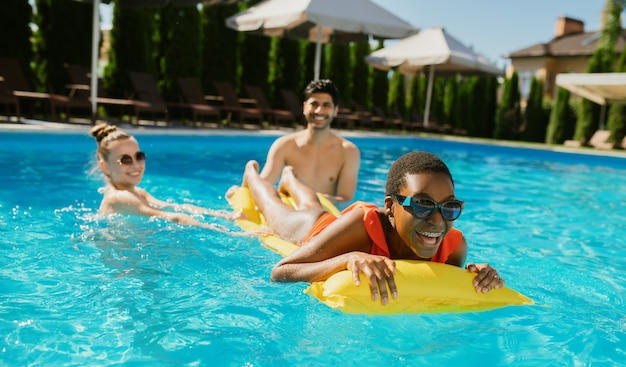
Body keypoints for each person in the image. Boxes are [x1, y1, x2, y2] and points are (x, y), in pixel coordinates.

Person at [237, 151, 505, 305]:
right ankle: (252, 174)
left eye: (449, 207)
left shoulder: (455, 247)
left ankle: (291, 178)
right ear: (390, 206)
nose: (437, 221)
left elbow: (445, 286)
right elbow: (280, 271)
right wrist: (346, 258)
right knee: (275, 208)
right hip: (317, 230)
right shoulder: (361, 227)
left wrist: (478, 275)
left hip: (336, 224)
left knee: (309, 199)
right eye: (423, 205)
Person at [90, 123, 250, 234]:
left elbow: (177, 207)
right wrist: (232, 234)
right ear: (104, 166)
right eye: (125, 159)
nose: (135, 164)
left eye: (139, 156)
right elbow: (173, 217)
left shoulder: (138, 192)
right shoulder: (118, 197)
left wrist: (226, 216)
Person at [230, 79, 360, 206]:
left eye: (326, 105)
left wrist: (310, 199)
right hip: (289, 212)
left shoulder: (348, 152)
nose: (319, 111)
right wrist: (240, 195)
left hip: (323, 214)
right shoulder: (285, 145)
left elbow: (345, 200)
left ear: (335, 110)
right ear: (304, 107)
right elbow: (265, 186)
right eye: (314, 104)